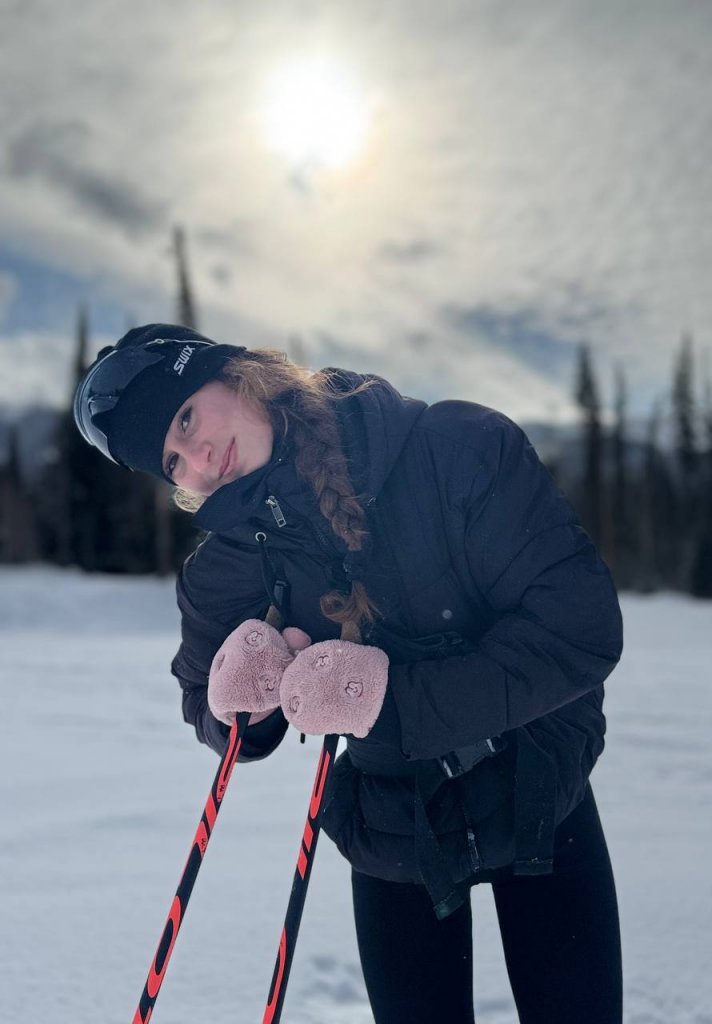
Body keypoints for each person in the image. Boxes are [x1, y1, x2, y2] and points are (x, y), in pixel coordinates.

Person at [74, 322, 624, 1023]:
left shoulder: (456, 449)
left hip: (540, 795)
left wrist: (384, 701)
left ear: (238, 374)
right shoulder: (226, 566)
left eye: (186, 419)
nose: (199, 459)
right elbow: (204, 701)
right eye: (172, 461)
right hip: (395, 832)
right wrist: (241, 700)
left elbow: (579, 630)